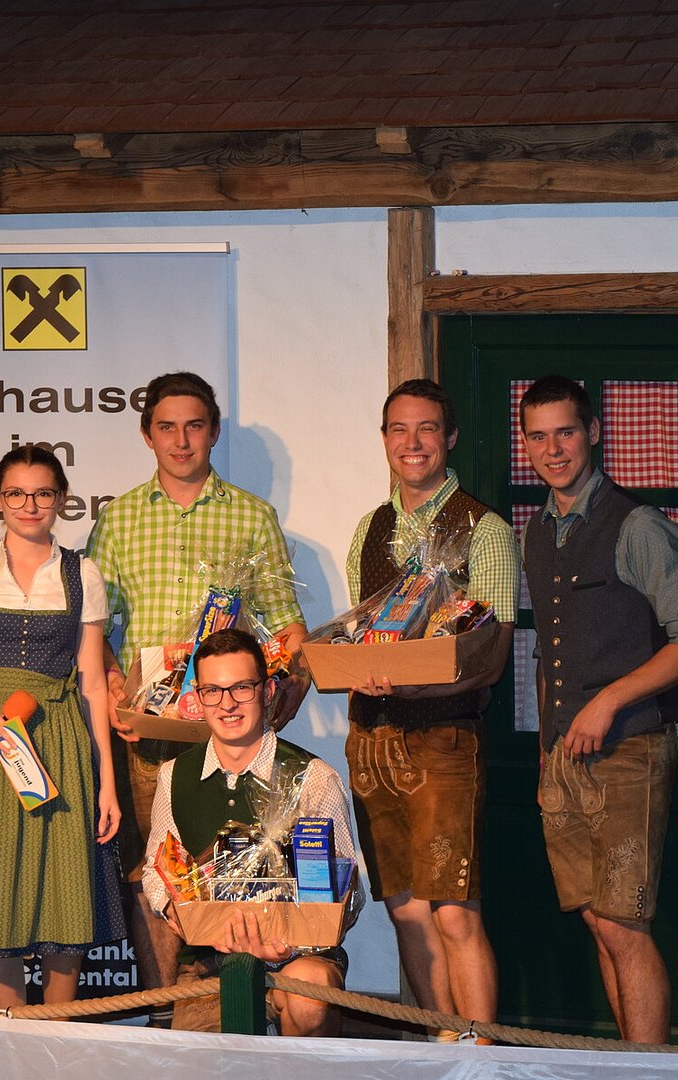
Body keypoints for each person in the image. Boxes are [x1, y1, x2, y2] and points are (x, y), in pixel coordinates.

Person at [87, 370, 309, 1002]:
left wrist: (286, 686)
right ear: (147, 435)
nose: (181, 441)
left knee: (240, 860)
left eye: (194, 426)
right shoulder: (119, 520)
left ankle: (235, 1003)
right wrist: (114, 683)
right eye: (167, 427)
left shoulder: (252, 516)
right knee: (154, 871)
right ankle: (164, 1011)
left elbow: (287, 624)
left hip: (233, 728)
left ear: (213, 432)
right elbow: (95, 627)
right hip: (149, 731)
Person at [518, 375, 678, 1045]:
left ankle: (649, 1069)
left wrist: (609, 699)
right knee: (599, 921)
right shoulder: (538, 530)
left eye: (566, 433)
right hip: (563, 760)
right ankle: (627, 1063)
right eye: (539, 437)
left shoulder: (637, 526)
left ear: (595, 433)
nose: (554, 450)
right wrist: (546, 751)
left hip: (630, 750)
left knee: (625, 923)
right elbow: (550, 651)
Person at [343, 378, 517, 1039]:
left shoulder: (486, 529)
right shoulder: (369, 528)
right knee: (406, 910)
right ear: (384, 439)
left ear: (449, 438)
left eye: (426, 429)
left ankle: (481, 1055)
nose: (412, 443)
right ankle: (440, 1043)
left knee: (453, 911)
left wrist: (419, 689)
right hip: (371, 739)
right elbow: (361, 634)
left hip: (445, 738)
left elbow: (491, 656)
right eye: (399, 429)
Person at [0, 444, 124, 1010]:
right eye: (16, 493)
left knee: (66, 887)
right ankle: (9, 1025)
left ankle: (55, 1032)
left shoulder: (83, 573)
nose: (29, 505)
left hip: (60, 740)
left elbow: (92, 684)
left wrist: (107, 781)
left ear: (61, 499)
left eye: (42, 493)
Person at [140, 628, 358, 1036]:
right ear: (197, 697)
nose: (227, 704)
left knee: (309, 998)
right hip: (209, 965)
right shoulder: (174, 776)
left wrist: (289, 943)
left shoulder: (314, 777)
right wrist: (177, 913)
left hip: (300, 958)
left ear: (267, 690)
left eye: (241, 687)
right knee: (206, 1058)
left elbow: (344, 889)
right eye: (213, 691)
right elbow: (156, 869)